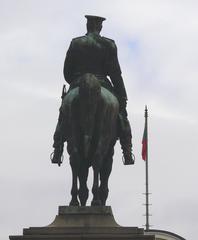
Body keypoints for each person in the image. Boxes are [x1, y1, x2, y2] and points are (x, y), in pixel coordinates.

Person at [51, 15, 134, 165]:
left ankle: (58, 150)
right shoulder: (109, 45)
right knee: (122, 116)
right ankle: (127, 151)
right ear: (100, 27)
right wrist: (122, 97)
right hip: (104, 83)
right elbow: (116, 74)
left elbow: (67, 72)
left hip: (78, 83)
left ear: (87, 26)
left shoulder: (76, 43)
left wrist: (75, 81)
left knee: (63, 116)